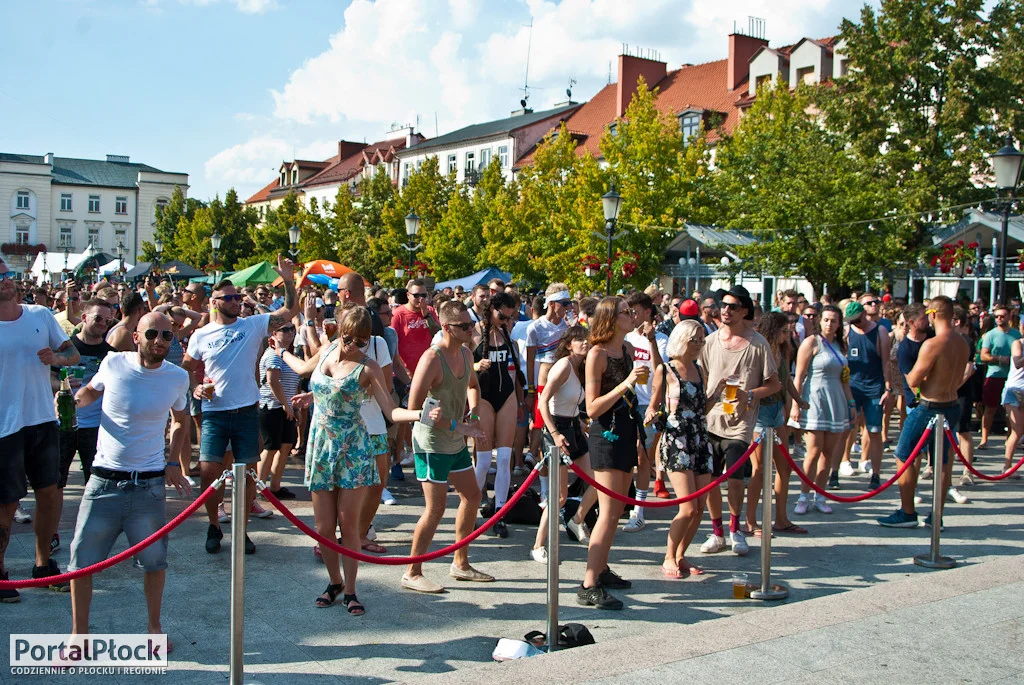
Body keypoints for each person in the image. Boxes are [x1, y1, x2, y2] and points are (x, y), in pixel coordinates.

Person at [283, 307, 429, 613]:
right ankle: (334, 582)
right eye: (349, 337)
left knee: (349, 525)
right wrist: (281, 353)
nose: (353, 345)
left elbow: (391, 411)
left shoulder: (369, 367)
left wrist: (422, 415)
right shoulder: (325, 350)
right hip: (321, 445)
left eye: (361, 341)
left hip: (354, 448)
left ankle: (350, 590)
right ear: (339, 330)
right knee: (323, 527)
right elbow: (303, 371)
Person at [67, 312, 192, 638]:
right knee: (81, 565)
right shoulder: (113, 363)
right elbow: (91, 392)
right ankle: (78, 636)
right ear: (136, 336)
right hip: (103, 481)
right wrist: (74, 400)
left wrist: (173, 463)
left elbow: (181, 420)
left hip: (148, 486)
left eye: (167, 335)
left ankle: (154, 629)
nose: (160, 341)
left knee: (154, 563)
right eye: (152, 334)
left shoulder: (177, 377)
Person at [182, 256, 298, 556]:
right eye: (229, 298)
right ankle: (214, 524)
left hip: (247, 410)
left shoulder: (252, 325)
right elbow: (187, 366)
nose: (236, 301)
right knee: (209, 471)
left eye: (237, 296)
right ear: (214, 301)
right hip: (215, 412)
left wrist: (287, 280)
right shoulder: (201, 335)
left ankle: (242, 530)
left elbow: (290, 311)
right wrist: (196, 386)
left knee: (247, 473)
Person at [0, 257, 81, 602]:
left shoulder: (39, 315)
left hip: (42, 419)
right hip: (4, 427)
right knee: (6, 503)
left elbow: (73, 353)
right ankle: (0, 574)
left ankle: (43, 565)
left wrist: (58, 361)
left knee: (49, 494)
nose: (5, 280)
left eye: (7, 274)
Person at [401, 300, 490, 593]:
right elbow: (414, 410)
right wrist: (457, 425)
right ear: (447, 327)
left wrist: (474, 414)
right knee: (436, 508)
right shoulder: (431, 359)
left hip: (455, 441)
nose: (471, 328)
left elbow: (474, 386)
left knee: (472, 496)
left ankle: (460, 564)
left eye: (471, 323)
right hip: (431, 443)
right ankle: (412, 573)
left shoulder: (465, 353)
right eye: (465, 325)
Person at [698, 286, 780, 557]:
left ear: (745, 311)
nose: (725, 310)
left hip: (741, 422)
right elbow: (703, 378)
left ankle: (735, 529)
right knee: (710, 479)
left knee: (734, 478)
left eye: (732, 306)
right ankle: (717, 531)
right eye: (723, 305)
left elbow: (774, 383)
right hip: (710, 420)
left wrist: (750, 394)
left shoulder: (758, 343)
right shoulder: (709, 342)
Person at [878, 296, 970, 528]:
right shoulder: (962, 342)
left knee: (904, 455)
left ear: (933, 315)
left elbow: (914, 380)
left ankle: (907, 512)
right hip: (952, 405)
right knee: (943, 461)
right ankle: (936, 515)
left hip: (929, 406)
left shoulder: (933, 344)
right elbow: (958, 377)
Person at [578, 297, 646, 610]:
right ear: (611, 318)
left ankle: (601, 568)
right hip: (604, 434)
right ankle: (588, 583)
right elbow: (592, 407)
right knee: (606, 513)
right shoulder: (598, 354)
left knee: (616, 511)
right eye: (626, 312)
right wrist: (628, 383)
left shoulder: (628, 350)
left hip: (626, 430)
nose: (632, 316)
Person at [646, 320, 717, 577]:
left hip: (699, 438)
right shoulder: (666, 370)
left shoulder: (699, 369)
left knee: (699, 507)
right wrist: (652, 414)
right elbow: (653, 405)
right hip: (676, 440)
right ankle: (668, 556)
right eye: (694, 339)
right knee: (686, 507)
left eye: (701, 339)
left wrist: (717, 394)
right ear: (682, 339)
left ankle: (681, 555)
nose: (699, 344)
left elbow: (701, 409)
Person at [50, 299, 116, 553]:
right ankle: (51, 532)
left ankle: (93, 534)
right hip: (63, 423)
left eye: (107, 320)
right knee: (56, 482)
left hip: (96, 427)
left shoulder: (110, 354)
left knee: (95, 483)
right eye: (98, 318)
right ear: (83, 317)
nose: (102, 324)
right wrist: (62, 388)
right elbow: (51, 375)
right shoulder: (67, 348)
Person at [532, 325, 599, 561]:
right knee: (559, 496)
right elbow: (543, 402)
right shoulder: (563, 365)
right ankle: (539, 545)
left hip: (573, 427)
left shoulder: (583, 367)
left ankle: (577, 519)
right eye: (579, 339)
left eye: (587, 339)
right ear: (569, 344)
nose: (585, 343)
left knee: (598, 481)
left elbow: (574, 401)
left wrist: (580, 422)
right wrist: (554, 433)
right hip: (556, 429)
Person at [471, 291, 525, 538]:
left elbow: (515, 374)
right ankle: (470, 510)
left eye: (509, 317)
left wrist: (521, 399)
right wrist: (474, 365)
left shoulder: (508, 338)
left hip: (507, 397)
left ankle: (500, 512)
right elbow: (459, 367)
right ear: (491, 309)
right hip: (483, 397)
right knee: (483, 461)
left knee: (504, 458)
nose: (506, 321)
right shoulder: (472, 334)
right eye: (502, 316)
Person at [791, 305, 854, 516]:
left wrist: (851, 403)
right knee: (813, 451)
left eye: (833, 320)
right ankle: (803, 495)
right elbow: (798, 376)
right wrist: (795, 403)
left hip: (835, 399)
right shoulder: (811, 342)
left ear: (839, 324)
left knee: (829, 453)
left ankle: (820, 495)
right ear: (820, 321)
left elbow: (845, 379)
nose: (829, 324)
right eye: (826, 319)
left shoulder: (840, 346)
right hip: (814, 399)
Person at [747, 312, 805, 534]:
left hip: (777, 413)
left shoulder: (783, 349)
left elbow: (786, 378)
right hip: (759, 412)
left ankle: (781, 518)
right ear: (773, 331)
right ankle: (751, 521)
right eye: (783, 331)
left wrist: (798, 400)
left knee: (784, 467)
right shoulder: (760, 349)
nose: (787, 334)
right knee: (759, 469)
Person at [621, 292, 667, 532]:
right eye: (629, 312)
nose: (632, 316)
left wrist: (651, 341)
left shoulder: (661, 339)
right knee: (625, 457)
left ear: (649, 312)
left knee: (642, 455)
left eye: (636, 311)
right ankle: (624, 503)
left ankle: (638, 510)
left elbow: (661, 370)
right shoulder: (626, 336)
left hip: (648, 404)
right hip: (625, 401)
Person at [840, 296, 892, 491]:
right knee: (847, 427)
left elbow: (886, 362)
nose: (855, 324)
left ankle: (875, 473)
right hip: (852, 386)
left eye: (857, 319)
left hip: (874, 386)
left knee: (874, 430)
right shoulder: (847, 331)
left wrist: (888, 388)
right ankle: (841, 464)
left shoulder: (880, 331)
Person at [526, 284, 571, 501]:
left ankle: (558, 486)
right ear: (552, 304)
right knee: (544, 434)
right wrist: (531, 389)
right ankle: (544, 487)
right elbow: (530, 360)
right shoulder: (535, 327)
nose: (568, 307)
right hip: (543, 384)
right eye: (564, 303)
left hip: (563, 385)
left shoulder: (568, 327)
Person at [257, 321, 301, 500]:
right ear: (274, 333)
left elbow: (293, 383)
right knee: (270, 448)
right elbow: (272, 381)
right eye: (285, 330)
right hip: (271, 407)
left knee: (285, 447)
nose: (290, 333)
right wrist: (285, 404)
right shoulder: (273, 355)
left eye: (292, 329)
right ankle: (258, 487)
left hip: (286, 408)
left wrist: (293, 406)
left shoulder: (287, 355)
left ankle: (275, 486)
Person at [979, 305, 1020, 449]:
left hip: (1012, 377)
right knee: (990, 408)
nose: (999, 319)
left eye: (1002, 316)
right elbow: (983, 355)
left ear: (1009, 317)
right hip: (994, 374)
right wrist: (1000, 358)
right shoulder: (990, 334)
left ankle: (1011, 439)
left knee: (1012, 411)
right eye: (996, 316)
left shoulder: (1016, 335)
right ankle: (984, 439)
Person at [1000, 312, 1024, 479]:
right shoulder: (1018, 343)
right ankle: (1006, 467)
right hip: (1015, 391)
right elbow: (1017, 361)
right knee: (1017, 431)